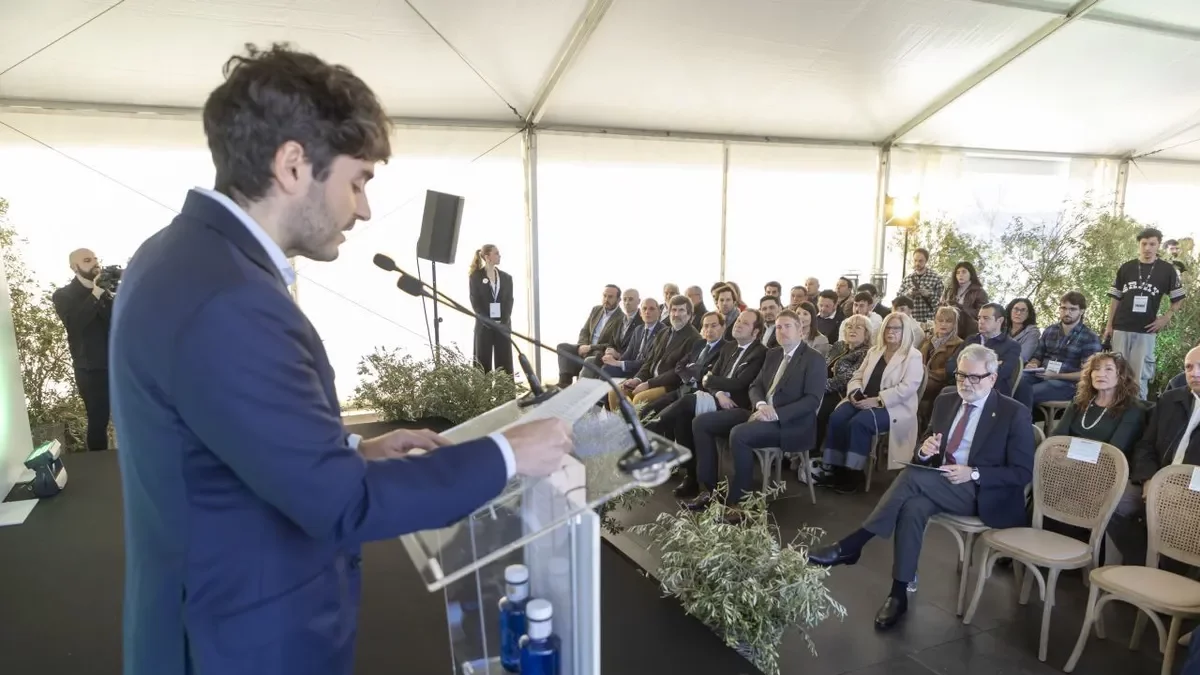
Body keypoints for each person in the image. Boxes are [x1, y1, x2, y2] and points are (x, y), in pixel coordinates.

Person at [108, 45, 572, 675]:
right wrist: (510, 453)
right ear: (294, 165)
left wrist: (351, 451)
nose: (365, 208)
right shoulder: (230, 299)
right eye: (358, 180)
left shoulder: (179, 255)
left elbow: (221, 443)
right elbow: (341, 506)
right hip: (244, 644)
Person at [808, 344, 1034, 630]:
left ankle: (853, 545)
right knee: (913, 507)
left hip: (984, 493)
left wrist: (974, 473)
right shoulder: (947, 399)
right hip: (941, 482)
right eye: (961, 376)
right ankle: (898, 593)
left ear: (992, 377)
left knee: (912, 478)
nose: (966, 383)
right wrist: (926, 451)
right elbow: (926, 447)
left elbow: (1022, 472)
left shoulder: (1013, 413)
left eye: (974, 377)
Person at [820, 313, 924, 493]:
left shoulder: (913, 356)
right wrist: (854, 392)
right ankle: (836, 469)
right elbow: (857, 376)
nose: (891, 331)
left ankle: (854, 473)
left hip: (892, 405)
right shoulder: (875, 351)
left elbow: (908, 388)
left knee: (859, 423)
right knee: (837, 417)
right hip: (863, 398)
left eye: (896, 328)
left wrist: (878, 400)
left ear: (905, 331)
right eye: (888, 327)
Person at [1103, 227, 1186, 399]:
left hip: (1146, 330)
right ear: (1139, 245)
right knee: (1116, 374)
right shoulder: (1127, 267)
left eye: (1152, 244)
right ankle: (1112, 414)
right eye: (1144, 243)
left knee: (1139, 378)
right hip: (1121, 328)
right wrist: (1109, 325)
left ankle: (1138, 417)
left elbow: (1178, 298)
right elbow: (1115, 298)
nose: (1147, 248)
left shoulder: (1166, 270)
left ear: (1158, 245)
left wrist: (1165, 318)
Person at [52, 248, 114, 451]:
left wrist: (113, 295)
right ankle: (99, 471)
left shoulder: (107, 292)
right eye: (87, 260)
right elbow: (75, 324)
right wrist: (96, 293)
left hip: (119, 365)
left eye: (96, 259)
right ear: (74, 267)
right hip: (91, 371)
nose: (95, 263)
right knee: (98, 422)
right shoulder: (63, 295)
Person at [467, 244, 514, 374]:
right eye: (497, 253)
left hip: (502, 325)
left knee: (504, 364)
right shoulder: (475, 277)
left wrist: (503, 321)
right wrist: (488, 321)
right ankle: (482, 394)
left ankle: (505, 394)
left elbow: (509, 301)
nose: (500, 256)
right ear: (487, 257)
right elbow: (475, 303)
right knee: (482, 364)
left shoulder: (506, 278)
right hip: (484, 326)